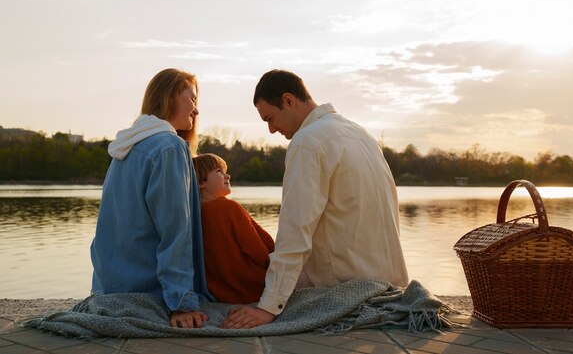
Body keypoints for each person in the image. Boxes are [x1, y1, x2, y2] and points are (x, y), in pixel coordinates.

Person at [221, 69, 408, 329]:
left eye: (270, 118)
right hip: (392, 284)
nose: (272, 129)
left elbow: (295, 229)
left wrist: (268, 306)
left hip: (348, 288)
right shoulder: (361, 134)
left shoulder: (307, 142)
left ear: (288, 100)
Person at [90, 68, 212, 329]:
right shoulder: (169, 147)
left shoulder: (126, 147)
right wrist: (180, 304)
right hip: (150, 293)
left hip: (110, 289)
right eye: (192, 99)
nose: (196, 110)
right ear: (169, 98)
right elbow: (174, 232)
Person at [192, 153, 275, 304]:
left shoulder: (192, 215)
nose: (227, 176)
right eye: (219, 172)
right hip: (253, 288)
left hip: (220, 293)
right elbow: (259, 251)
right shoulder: (229, 208)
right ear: (201, 182)